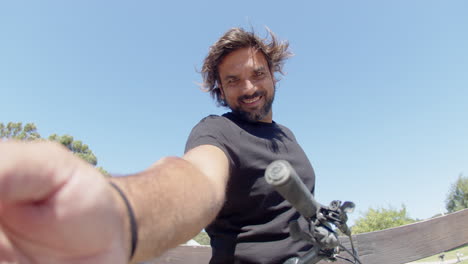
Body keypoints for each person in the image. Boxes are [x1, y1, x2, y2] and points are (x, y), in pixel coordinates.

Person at [0, 27, 315, 264]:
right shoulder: (217, 130)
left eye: (257, 74)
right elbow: (198, 178)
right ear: (220, 89)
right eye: (233, 80)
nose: (248, 88)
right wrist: (118, 216)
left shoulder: (286, 135)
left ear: (272, 75)